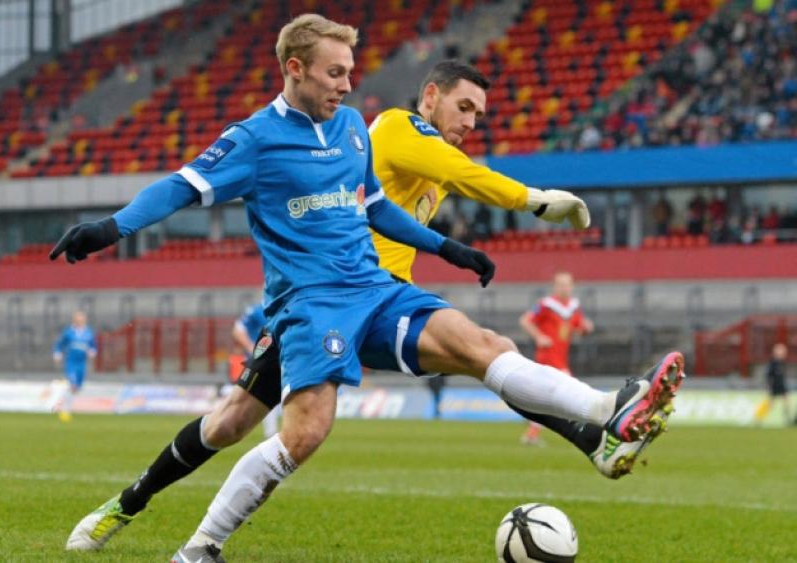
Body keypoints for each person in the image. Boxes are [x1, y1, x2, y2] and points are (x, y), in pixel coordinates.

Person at [57, 17, 684, 559]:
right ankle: (156, 522)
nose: (347, 84)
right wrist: (111, 227)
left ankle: (609, 410)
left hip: (376, 288)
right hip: (310, 303)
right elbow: (179, 186)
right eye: (334, 73)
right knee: (247, 427)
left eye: (350, 71)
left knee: (481, 343)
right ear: (296, 69)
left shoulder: (354, 127)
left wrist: (448, 248)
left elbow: (377, 206)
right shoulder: (255, 139)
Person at [518, 272, 594, 446]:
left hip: (561, 357)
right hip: (548, 357)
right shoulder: (546, 305)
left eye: (567, 284)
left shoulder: (573, 307)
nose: (564, 288)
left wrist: (586, 328)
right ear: (554, 286)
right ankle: (586, 429)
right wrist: (539, 336)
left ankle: (532, 431)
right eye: (561, 284)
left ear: (572, 286)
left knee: (545, 399)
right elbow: (525, 321)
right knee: (572, 390)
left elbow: (578, 327)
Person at [228, 303, 279, 439]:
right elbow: (237, 329)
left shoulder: (287, 307)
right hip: (261, 362)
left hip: (282, 359)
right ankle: (271, 433)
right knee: (258, 394)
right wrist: (251, 347)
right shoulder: (257, 311)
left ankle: (275, 433)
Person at [52, 311, 97, 422]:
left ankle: (63, 406)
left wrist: (92, 351)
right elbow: (59, 344)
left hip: (82, 364)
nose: (80, 321)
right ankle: (64, 410)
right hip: (71, 363)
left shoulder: (88, 333)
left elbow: (93, 346)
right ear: (74, 320)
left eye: (82, 319)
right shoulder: (68, 332)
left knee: (77, 388)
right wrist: (57, 353)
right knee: (73, 385)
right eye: (78, 319)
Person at [755, 342, 793, 426]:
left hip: (782, 385)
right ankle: (758, 418)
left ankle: (789, 420)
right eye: (781, 351)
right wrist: (768, 386)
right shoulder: (772, 363)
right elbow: (768, 375)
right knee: (770, 404)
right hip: (774, 385)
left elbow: (783, 375)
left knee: (786, 403)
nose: (783, 353)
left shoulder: (782, 362)